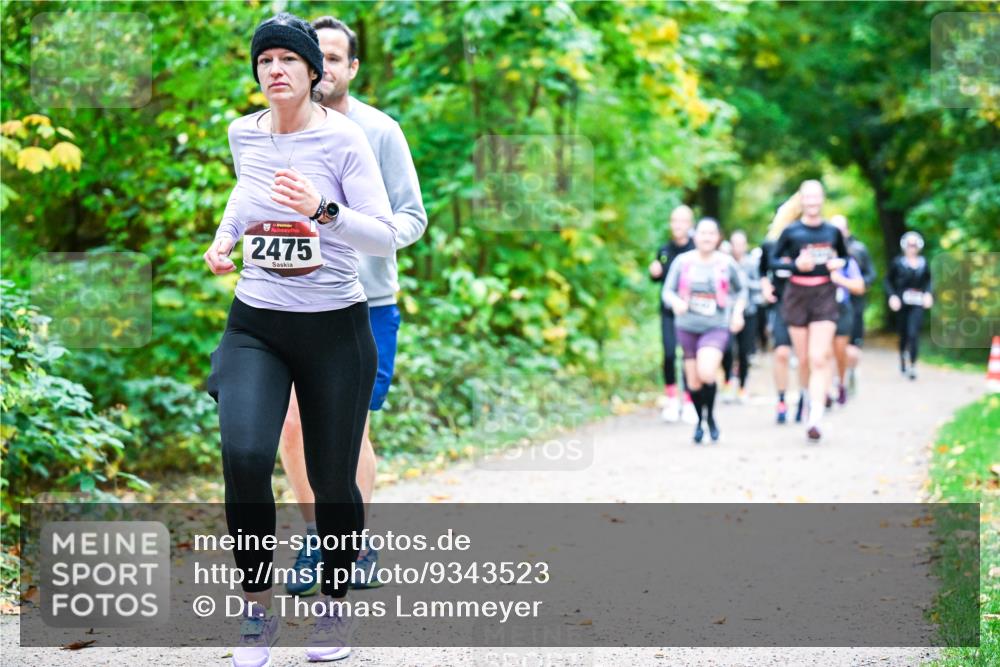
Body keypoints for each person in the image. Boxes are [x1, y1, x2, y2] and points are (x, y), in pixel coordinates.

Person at [203, 13, 397, 666]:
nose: (275, 69)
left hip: (335, 329)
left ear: (315, 73)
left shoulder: (345, 141)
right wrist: (226, 235)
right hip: (256, 321)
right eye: (265, 61)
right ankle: (257, 612)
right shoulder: (243, 133)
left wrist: (322, 209)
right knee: (246, 455)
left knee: (332, 478)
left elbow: (384, 233)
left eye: (289, 59)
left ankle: (333, 607)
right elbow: (247, 189)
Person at [277, 15, 428, 604]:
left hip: (364, 305)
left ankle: (354, 543)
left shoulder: (379, 131)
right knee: (292, 429)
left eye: (337, 58)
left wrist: (346, 223)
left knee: (347, 429)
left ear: (351, 67)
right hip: (289, 303)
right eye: (318, 56)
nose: (326, 68)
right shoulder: (275, 129)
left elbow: (411, 220)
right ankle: (317, 537)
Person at [771, 180, 848, 442]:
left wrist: (839, 263)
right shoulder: (791, 232)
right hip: (797, 295)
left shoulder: (832, 232)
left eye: (817, 197)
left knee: (818, 358)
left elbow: (845, 257)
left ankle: (815, 416)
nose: (812, 202)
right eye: (808, 197)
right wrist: (795, 265)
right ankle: (805, 395)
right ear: (801, 200)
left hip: (824, 294)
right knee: (803, 359)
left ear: (822, 199)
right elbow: (772, 260)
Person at [662, 218, 747, 444]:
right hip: (687, 327)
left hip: (715, 326)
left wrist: (737, 313)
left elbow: (741, 290)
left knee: (706, 371)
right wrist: (675, 303)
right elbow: (667, 292)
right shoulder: (683, 262)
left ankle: (711, 418)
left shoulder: (726, 263)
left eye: (711, 233)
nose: (707, 237)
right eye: (702, 233)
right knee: (694, 383)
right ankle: (702, 421)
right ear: (694, 236)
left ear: (718, 237)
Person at [649, 205, 698, 424]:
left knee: (689, 356)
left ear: (690, 224)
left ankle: (689, 401)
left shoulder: (697, 249)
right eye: (674, 221)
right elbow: (659, 278)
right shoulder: (664, 250)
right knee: (669, 354)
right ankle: (672, 400)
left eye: (682, 221)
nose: (678, 225)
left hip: (692, 312)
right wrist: (654, 272)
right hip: (669, 311)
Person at [759, 194, 800, 424]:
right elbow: (762, 271)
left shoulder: (804, 241)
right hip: (781, 304)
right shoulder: (769, 245)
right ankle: (782, 400)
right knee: (782, 352)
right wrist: (765, 286)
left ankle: (806, 397)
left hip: (805, 303)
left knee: (806, 357)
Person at [829, 214, 876, 395]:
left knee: (852, 349)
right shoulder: (824, 250)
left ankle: (850, 372)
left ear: (847, 230)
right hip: (831, 304)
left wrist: (855, 283)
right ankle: (835, 383)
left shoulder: (858, 250)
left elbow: (871, 274)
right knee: (833, 346)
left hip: (854, 303)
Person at [827, 219, 866, 405]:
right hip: (821, 309)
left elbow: (859, 286)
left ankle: (841, 383)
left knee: (840, 351)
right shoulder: (819, 257)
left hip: (842, 308)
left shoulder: (848, 259)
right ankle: (825, 390)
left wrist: (838, 279)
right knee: (823, 352)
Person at [886, 231, 933, 380]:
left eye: (914, 245)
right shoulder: (897, 262)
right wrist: (892, 297)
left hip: (917, 302)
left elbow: (929, 281)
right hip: (902, 303)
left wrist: (928, 294)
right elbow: (887, 281)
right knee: (903, 334)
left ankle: (912, 365)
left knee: (913, 334)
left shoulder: (923, 263)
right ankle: (902, 359)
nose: (911, 248)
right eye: (909, 245)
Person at [721, 230, 761, 403]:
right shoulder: (725, 263)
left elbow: (759, 284)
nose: (738, 247)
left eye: (741, 244)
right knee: (727, 350)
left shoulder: (752, 264)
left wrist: (744, 282)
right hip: (727, 314)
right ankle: (728, 382)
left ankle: (743, 387)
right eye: (734, 243)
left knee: (744, 352)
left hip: (749, 312)